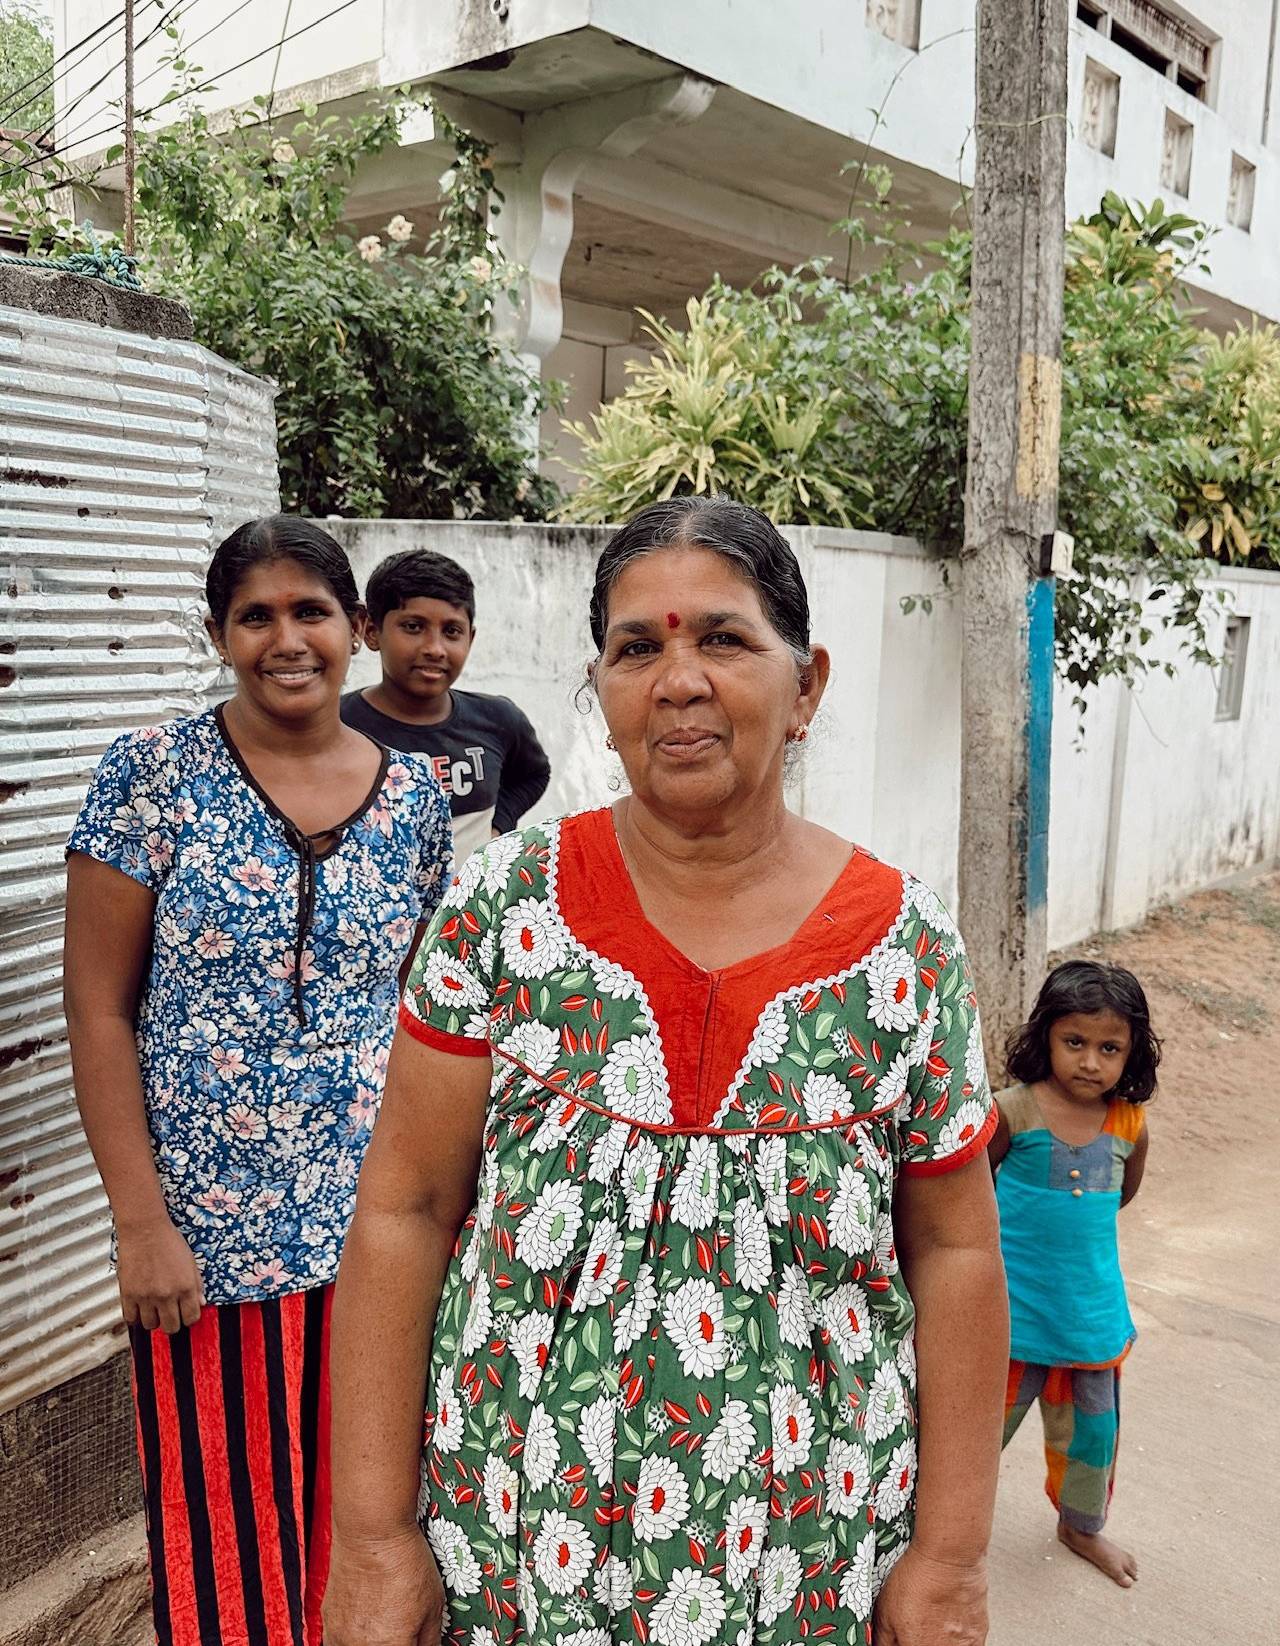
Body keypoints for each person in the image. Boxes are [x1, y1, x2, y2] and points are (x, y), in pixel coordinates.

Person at [323, 496, 1009, 1646]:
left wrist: (950, 1554)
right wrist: (373, 1535)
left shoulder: (906, 947)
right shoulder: (503, 908)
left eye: (723, 638)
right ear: (601, 693)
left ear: (808, 685)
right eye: (637, 647)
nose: (677, 679)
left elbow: (956, 1250)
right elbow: (404, 1209)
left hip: (813, 1562)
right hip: (517, 1554)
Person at [63, 516, 453, 1646]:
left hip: (376, 1229)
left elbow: (427, 1019)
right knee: (222, 1532)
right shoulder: (151, 775)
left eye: (312, 611)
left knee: (370, 1521)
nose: (288, 638)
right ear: (220, 633)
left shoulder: (417, 799)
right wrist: (142, 1225)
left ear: (358, 629)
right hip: (205, 1244)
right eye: (257, 615)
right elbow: (98, 1008)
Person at [985, 959, 1159, 1588]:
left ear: (1132, 1054)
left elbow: (1120, 1199)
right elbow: (971, 1198)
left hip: (1090, 1319)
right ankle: (932, 1526)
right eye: (1075, 1042)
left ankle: (1081, 1527)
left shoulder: (1128, 1125)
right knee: (977, 1433)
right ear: (1045, 1038)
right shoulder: (1011, 1112)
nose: (1090, 1061)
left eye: (1110, 1048)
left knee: (1092, 1439)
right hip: (1011, 1317)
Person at [341, 548, 551, 859]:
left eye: (452, 631)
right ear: (372, 632)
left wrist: (497, 827)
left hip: (474, 907)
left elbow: (534, 775)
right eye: (413, 627)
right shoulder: (337, 723)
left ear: (471, 638)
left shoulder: (498, 719)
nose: (435, 649)